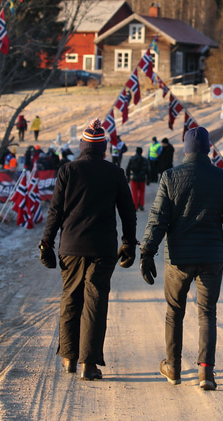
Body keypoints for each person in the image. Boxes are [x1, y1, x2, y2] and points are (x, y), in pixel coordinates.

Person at [140, 127, 223, 391]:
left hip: (178, 258)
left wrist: (147, 252)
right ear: (208, 149)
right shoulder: (221, 178)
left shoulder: (170, 176)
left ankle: (173, 367)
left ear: (185, 149)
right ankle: (205, 372)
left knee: (174, 312)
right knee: (207, 314)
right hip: (211, 258)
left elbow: (158, 218)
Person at [38, 118, 138, 381]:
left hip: (70, 247)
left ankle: (69, 358)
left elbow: (55, 212)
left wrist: (46, 243)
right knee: (95, 303)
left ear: (82, 145)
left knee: (70, 298)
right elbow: (127, 212)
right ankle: (88, 364)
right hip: (103, 248)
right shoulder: (115, 172)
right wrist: (128, 242)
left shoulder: (67, 170)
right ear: (103, 147)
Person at [125, 146, 149, 211]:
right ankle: (141, 204)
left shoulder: (132, 159)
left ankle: (135, 206)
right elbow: (148, 170)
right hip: (142, 178)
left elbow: (128, 169)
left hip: (133, 178)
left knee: (134, 192)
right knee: (142, 191)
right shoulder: (145, 160)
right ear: (141, 152)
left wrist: (127, 177)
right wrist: (148, 179)